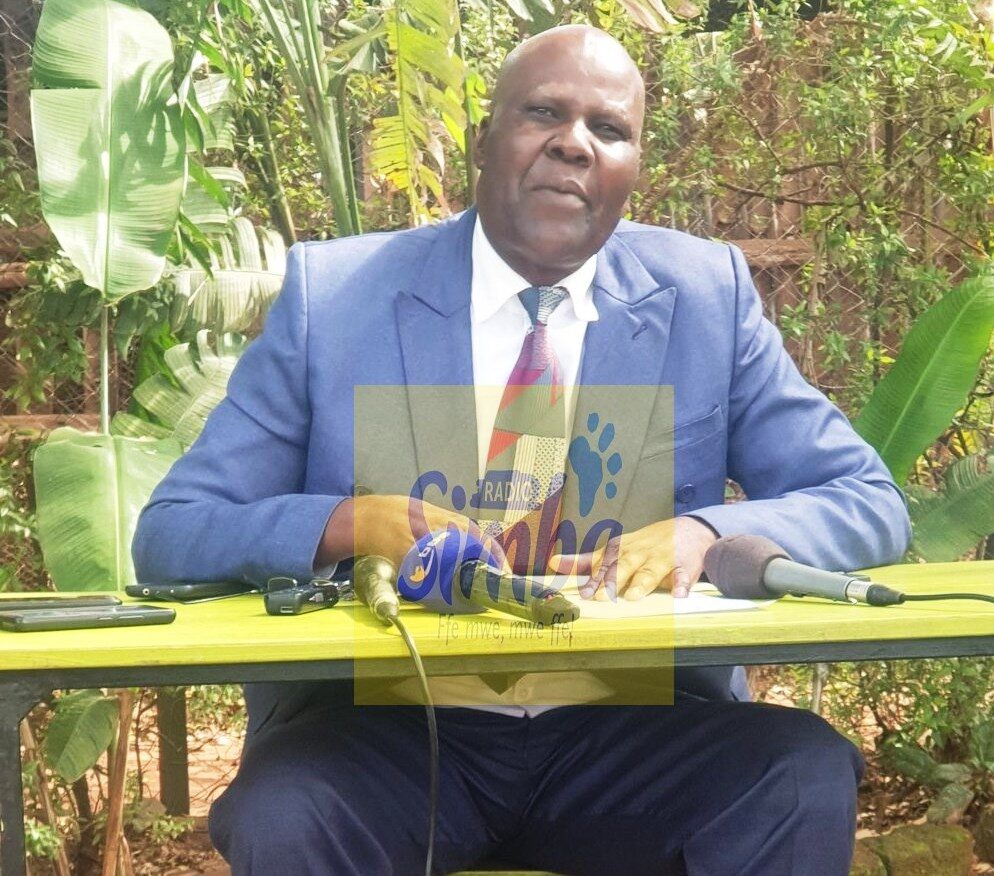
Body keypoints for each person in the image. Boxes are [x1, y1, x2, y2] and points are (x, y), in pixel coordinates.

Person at [133, 24, 910, 876]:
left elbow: (865, 500)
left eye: (608, 129)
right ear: (484, 140)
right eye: (543, 113)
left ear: (634, 167)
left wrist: (705, 532)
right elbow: (175, 530)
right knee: (286, 811)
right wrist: (347, 525)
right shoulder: (338, 298)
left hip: (634, 733)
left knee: (798, 774)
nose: (574, 143)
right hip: (388, 735)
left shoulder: (705, 297)